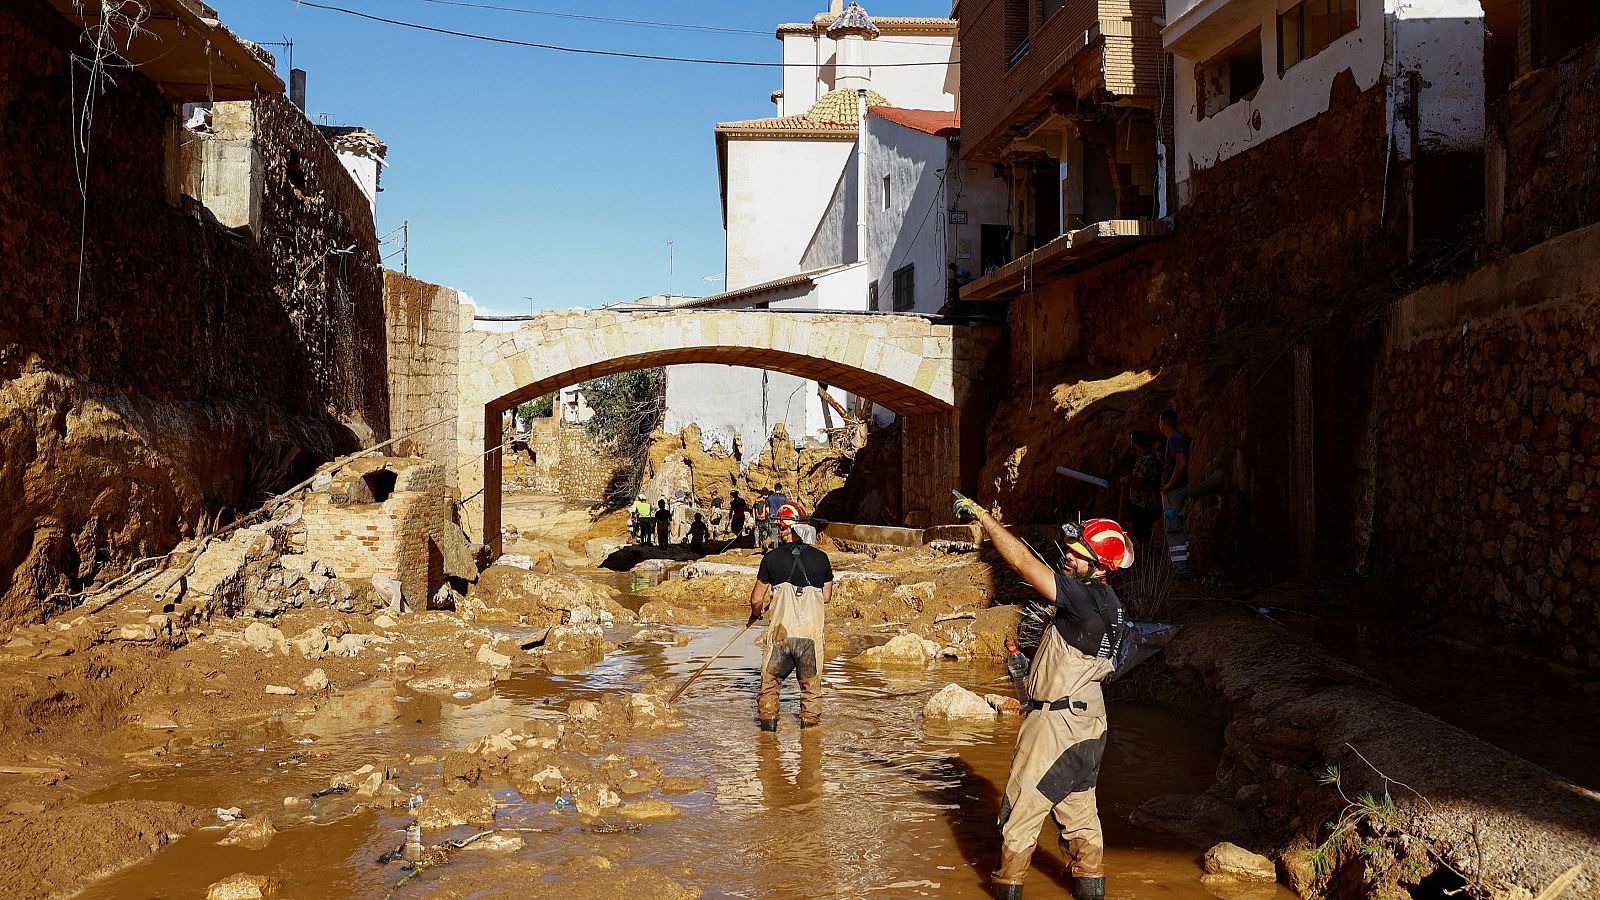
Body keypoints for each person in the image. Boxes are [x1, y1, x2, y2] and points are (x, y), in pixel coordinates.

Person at [953, 496, 1133, 900]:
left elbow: (1021, 564)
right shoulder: (1113, 606)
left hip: (1057, 726)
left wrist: (986, 519)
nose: (1069, 555)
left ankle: (1007, 887)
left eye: (1080, 553)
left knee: (1020, 812)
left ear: (1101, 567)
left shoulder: (1082, 598)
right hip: (1090, 724)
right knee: (1080, 816)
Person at [746, 503, 832, 731]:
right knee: (811, 691)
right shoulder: (822, 559)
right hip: (809, 640)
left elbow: (756, 599)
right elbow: (826, 596)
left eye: (779, 527)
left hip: (781, 638)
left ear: (786, 528)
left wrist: (756, 614)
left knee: (770, 687)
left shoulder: (771, 559)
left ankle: (767, 740)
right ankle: (810, 745)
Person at [1158, 409, 1191, 577]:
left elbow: (1181, 462)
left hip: (1174, 492)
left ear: (1164, 423)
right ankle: (1183, 565)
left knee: (1173, 527)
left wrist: (1169, 485)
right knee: (1178, 526)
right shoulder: (1178, 439)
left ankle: (1180, 568)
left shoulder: (1174, 440)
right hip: (1178, 490)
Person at [1124, 431, 1162, 552]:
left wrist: (1127, 481)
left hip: (1143, 504)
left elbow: (1139, 483)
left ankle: (1145, 562)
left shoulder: (1145, 460)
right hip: (1145, 503)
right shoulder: (1149, 458)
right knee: (1143, 534)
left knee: (1144, 535)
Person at [764, 484, 789, 552]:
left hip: (773, 518)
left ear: (775, 489)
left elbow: (767, 510)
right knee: (784, 533)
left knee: (774, 533)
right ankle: (785, 549)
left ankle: (775, 549)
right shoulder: (784, 498)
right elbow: (786, 508)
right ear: (781, 489)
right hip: (782, 518)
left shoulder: (769, 497)